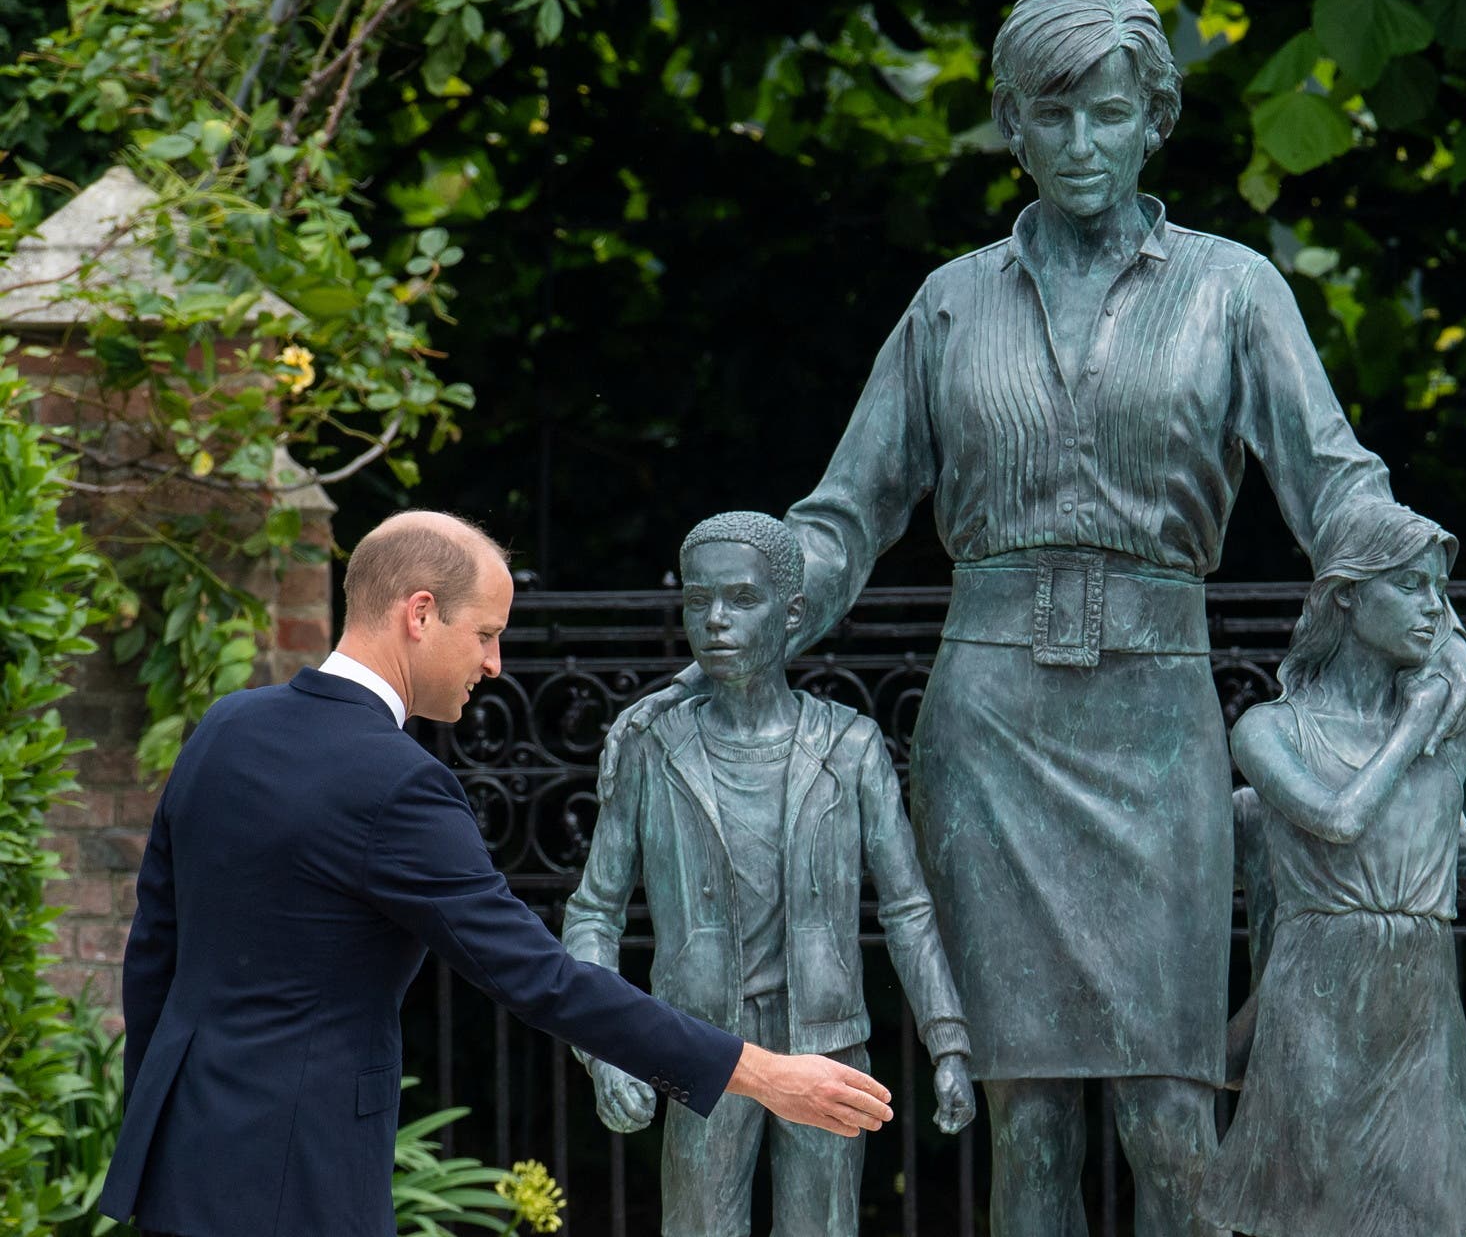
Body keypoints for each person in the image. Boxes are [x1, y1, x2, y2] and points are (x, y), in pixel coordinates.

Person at [605, 0, 1466, 1236]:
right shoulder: (949, 303)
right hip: (993, 729)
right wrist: (753, 605)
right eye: (1051, 117)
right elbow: (846, 514)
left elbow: (1334, 484)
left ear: (1153, 120)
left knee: (1172, 1116)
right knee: (1025, 1124)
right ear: (1010, 126)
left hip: (1155, 717)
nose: (1081, 146)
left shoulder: (1234, 292)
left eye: (1109, 115)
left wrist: (1428, 613)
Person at [102, 511, 893, 1237]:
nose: (495, 661)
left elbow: (154, 952)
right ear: (419, 614)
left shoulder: (224, 728)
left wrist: (157, 1117)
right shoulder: (396, 783)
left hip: (180, 1157)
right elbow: (541, 977)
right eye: (484, 632)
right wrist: (759, 1071)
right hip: (301, 1174)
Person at [563, 512, 975, 1235]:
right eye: (698, 601)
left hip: (826, 1040)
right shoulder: (653, 750)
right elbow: (595, 912)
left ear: (790, 614)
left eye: (741, 598)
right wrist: (606, 1051)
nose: (715, 620)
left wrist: (948, 1039)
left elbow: (907, 908)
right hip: (697, 1042)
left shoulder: (850, 747)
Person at [1199, 500, 1466, 1237]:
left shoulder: (1459, 737)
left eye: (1439, 588)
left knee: (1439, 1212)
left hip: (1419, 1007)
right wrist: (1415, 722)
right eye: (1410, 586)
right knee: (1314, 1213)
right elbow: (1339, 821)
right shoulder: (1271, 729)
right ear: (1346, 595)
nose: (1434, 609)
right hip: (1318, 1003)